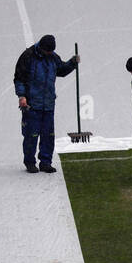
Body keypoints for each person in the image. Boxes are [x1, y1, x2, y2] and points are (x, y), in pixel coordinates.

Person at [13, 34, 77, 173]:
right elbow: (19, 78)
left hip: (48, 103)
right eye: (47, 52)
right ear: (41, 48)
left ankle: (45, 162)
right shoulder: (28, 56)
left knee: (48, 135)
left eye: (51, 52)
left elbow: (61, 70)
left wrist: (72, 63)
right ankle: (30, 162)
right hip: (32, 104)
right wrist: (22, 96)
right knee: (31, 135)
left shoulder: (53, 57)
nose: (49, 54)